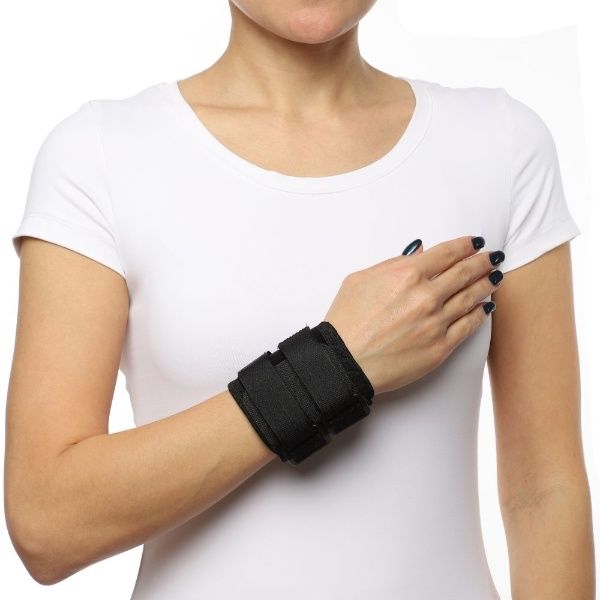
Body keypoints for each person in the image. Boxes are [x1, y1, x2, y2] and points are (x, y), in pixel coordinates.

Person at [5, 1, 595, 598]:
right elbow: (47, 526)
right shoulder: (102, 155)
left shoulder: (499, 142)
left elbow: (543, 492)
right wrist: (333, 366)